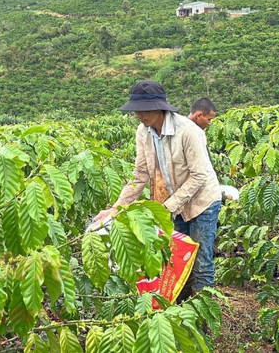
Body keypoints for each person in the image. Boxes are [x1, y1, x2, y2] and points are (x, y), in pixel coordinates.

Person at [94, 80, 222, 292]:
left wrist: (167, 206)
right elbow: (141, 173)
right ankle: (180, 306)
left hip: (202, 202)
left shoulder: (188, 131)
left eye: (144, 110)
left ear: (159, 107)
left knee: (201, 260)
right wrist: (117, 207)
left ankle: (204, 313)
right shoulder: (143, 132)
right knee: (177, 256)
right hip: (176, 203)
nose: (139, 115)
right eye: (136, 110)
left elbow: (199, 175)